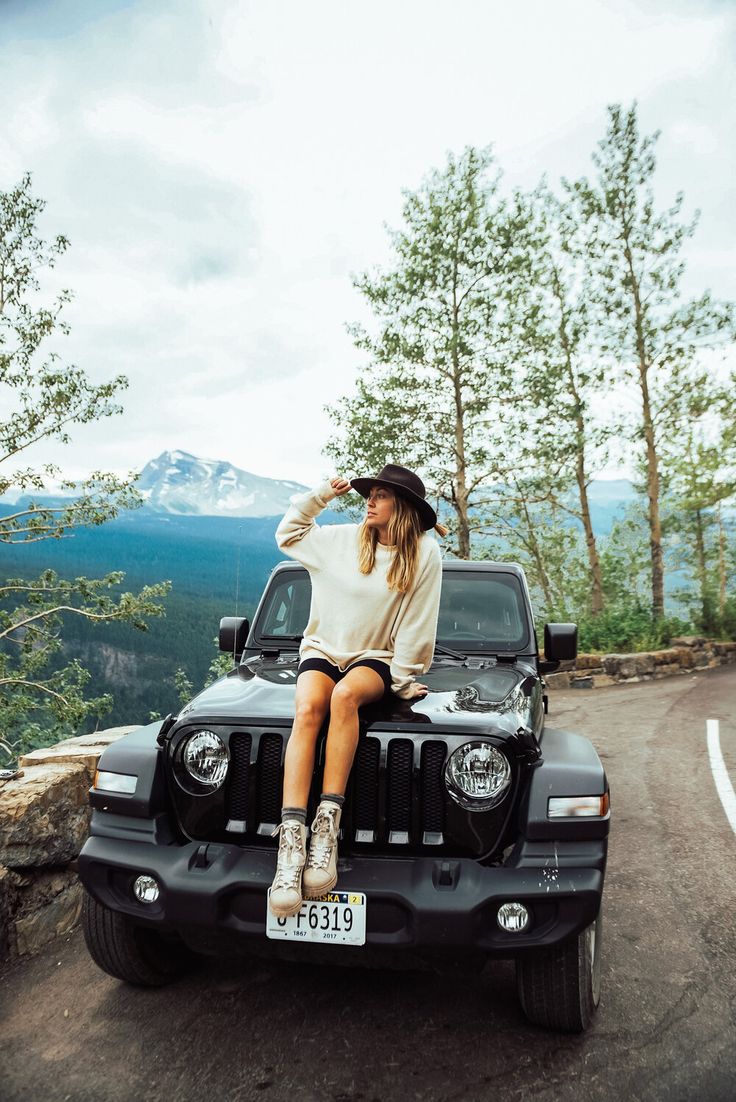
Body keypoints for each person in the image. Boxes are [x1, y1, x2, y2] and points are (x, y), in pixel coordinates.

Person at [268, 463, 447, 918]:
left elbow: (417, 623)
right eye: (370, 494)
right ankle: (291, 845)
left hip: (375, 656)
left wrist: (403, 681)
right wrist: (320, 496)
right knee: (308, 706)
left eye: (381, 495)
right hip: (323, 648)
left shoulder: (424, 555)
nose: (369, 500)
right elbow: (288, 535)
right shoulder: (341, 540)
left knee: (345, 698)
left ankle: (326, 829)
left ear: (401, 508)